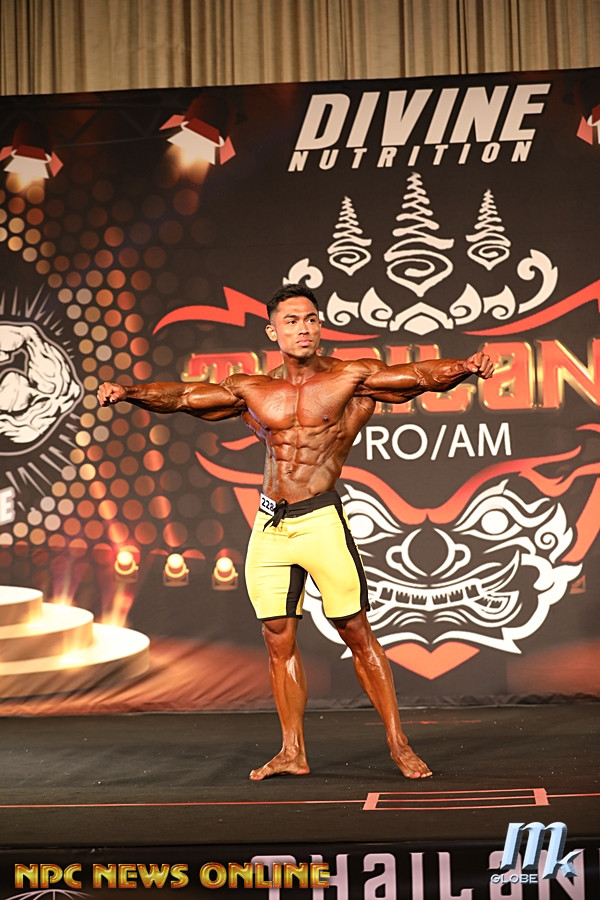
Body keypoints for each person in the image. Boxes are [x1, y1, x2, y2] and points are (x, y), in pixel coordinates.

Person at [98, 283, 494, 780]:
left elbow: (416, 377)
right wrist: (128, 393)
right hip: (270, 525)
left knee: (355, 631)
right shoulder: (252, 389)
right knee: (276, 636)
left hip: (320, 520)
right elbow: (182, 397)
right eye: (291, 321)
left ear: (319, 325)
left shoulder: (351, 377)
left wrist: (464, 367)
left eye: (310, 319)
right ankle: (292, 751)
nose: (302, 328)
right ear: (273, 332)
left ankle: (399, 744)